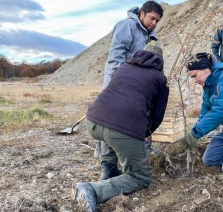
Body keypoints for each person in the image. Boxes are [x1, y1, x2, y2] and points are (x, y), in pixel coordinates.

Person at [72, 44, 169, 212]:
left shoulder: (124, 67)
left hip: (93, 121)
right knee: (141, 177)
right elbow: (157, 116)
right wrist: (145, 133)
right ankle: (93, 190)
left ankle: (108, 172)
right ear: (160, 61)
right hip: (121, 129)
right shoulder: (160, 79)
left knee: (111, 132)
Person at [94, 1, 164, 176]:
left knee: (141, 114)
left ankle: (141, 150)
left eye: (157, 20)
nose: (154, 23)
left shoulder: (152, 36)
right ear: (142, 14)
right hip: (119, 80)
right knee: (109, 115)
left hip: (140, 85)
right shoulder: (127, 27)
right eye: (152, 18)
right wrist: (118, 82)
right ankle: (104, 156)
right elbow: (116, 55)